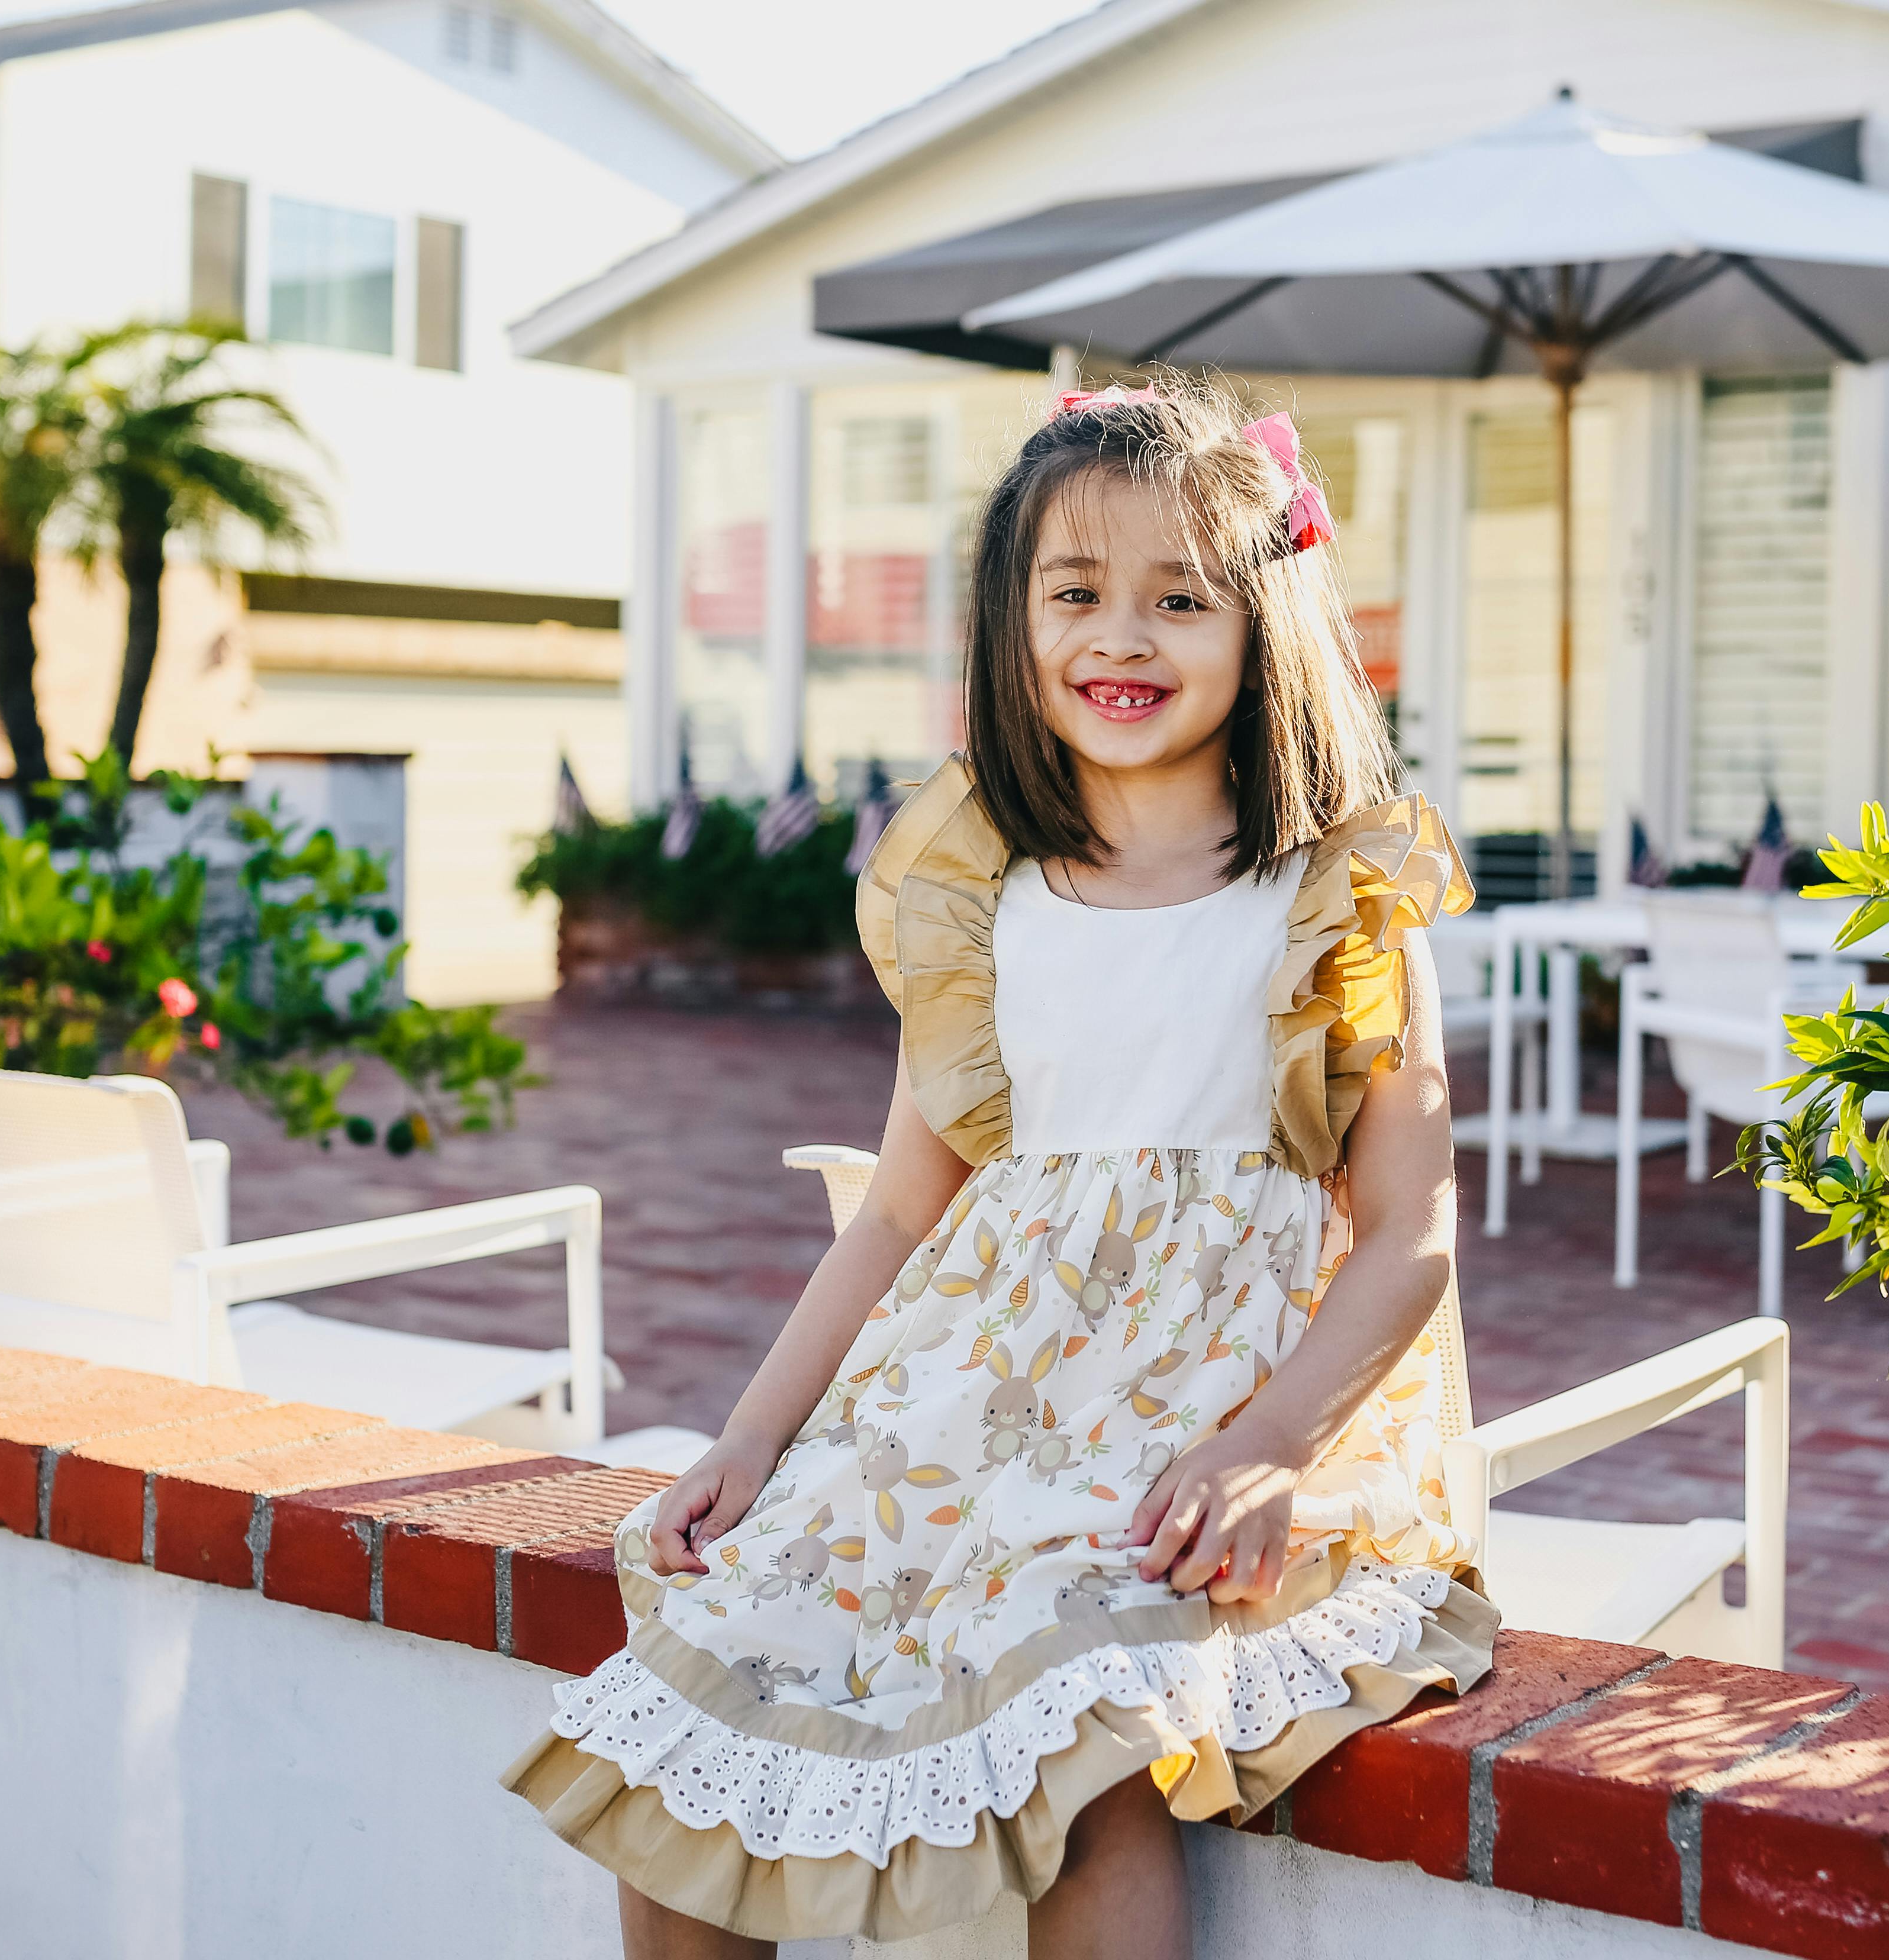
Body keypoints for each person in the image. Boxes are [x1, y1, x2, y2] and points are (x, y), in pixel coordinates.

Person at [504, 379, 1495, 1958]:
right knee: (693, 1728)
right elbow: (904, 1205)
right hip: (968, 1408)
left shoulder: (1336, 895)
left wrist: (1270, 1447)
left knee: (1082, 1734)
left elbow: (1410, 1232)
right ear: (1010, 622)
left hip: (1201, 1411)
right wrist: (752, 1442)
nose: (1125, 637)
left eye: (1183, 599)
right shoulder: (983, 893)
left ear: (1264, 627)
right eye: (1076, 593)